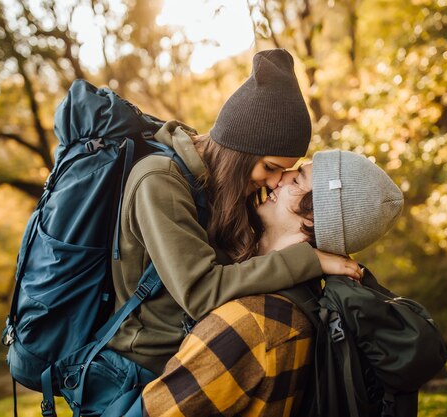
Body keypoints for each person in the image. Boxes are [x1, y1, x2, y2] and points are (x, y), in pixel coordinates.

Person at [106, 48, 363, 380]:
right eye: (269, 167)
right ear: (239, 149)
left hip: (198, 359)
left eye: (284, 171)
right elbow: (202, 292)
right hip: (143, 372)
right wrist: (310, 260)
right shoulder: (160, 181)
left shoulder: (223, 187)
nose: (274, 182)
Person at [141, 150, 404, 417]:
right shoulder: (308, 303)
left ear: (315, 218)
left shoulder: (251, 323)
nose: (280, 178)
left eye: (298, 180)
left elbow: (157, 411)